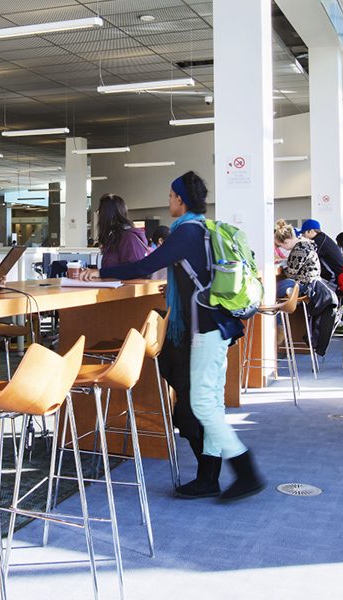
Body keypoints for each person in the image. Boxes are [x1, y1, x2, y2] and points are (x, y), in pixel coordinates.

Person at [78, 171, 265, 502]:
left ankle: (246, 471)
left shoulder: (187, 233)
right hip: (216, 325)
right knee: (209, 404)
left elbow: (144, 265)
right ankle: (208, 477)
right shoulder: (203, 231)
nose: (168, 201)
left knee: (204, 406)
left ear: (180, 199)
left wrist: (100, 272)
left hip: (207, 327)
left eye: (170, 196)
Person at [281, 221, 337, 356]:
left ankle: (278, 327)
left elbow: (291, 272)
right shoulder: (318, 242)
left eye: (305, 233)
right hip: (321, 285)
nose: (304, 236)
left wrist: (284, 266)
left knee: (268, 293)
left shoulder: (303, 246)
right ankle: (279, 328)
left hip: (313, 285)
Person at [96, 193, 150, 268]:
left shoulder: (129, 238)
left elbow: (136, 271)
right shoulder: (113, 237)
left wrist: (103, 273)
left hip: (121, 280)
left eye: (99, 213)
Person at [299, 219, 343, 284]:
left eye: (304, 233)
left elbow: (310, 260)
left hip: (335, 279)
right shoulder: (323, 238)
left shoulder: (318, 241)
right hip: (339, 276)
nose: (303, 236)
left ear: (311, 231)